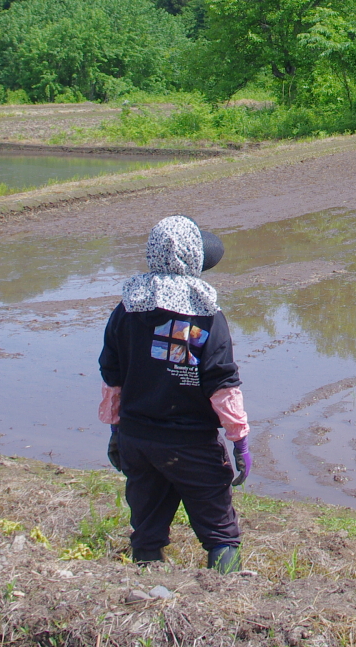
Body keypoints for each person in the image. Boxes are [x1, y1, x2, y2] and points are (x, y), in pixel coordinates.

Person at [98, 215, 251, 571]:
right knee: (221, 535)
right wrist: (239, 441)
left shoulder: (127, 309)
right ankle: (224, 601)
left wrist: (116, 430)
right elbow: (222, 384)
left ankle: (145, 593)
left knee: (146, 530)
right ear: (192, 258)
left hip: (138, 439)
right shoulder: (207, 316)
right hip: (191, 445)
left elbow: (112, 376)